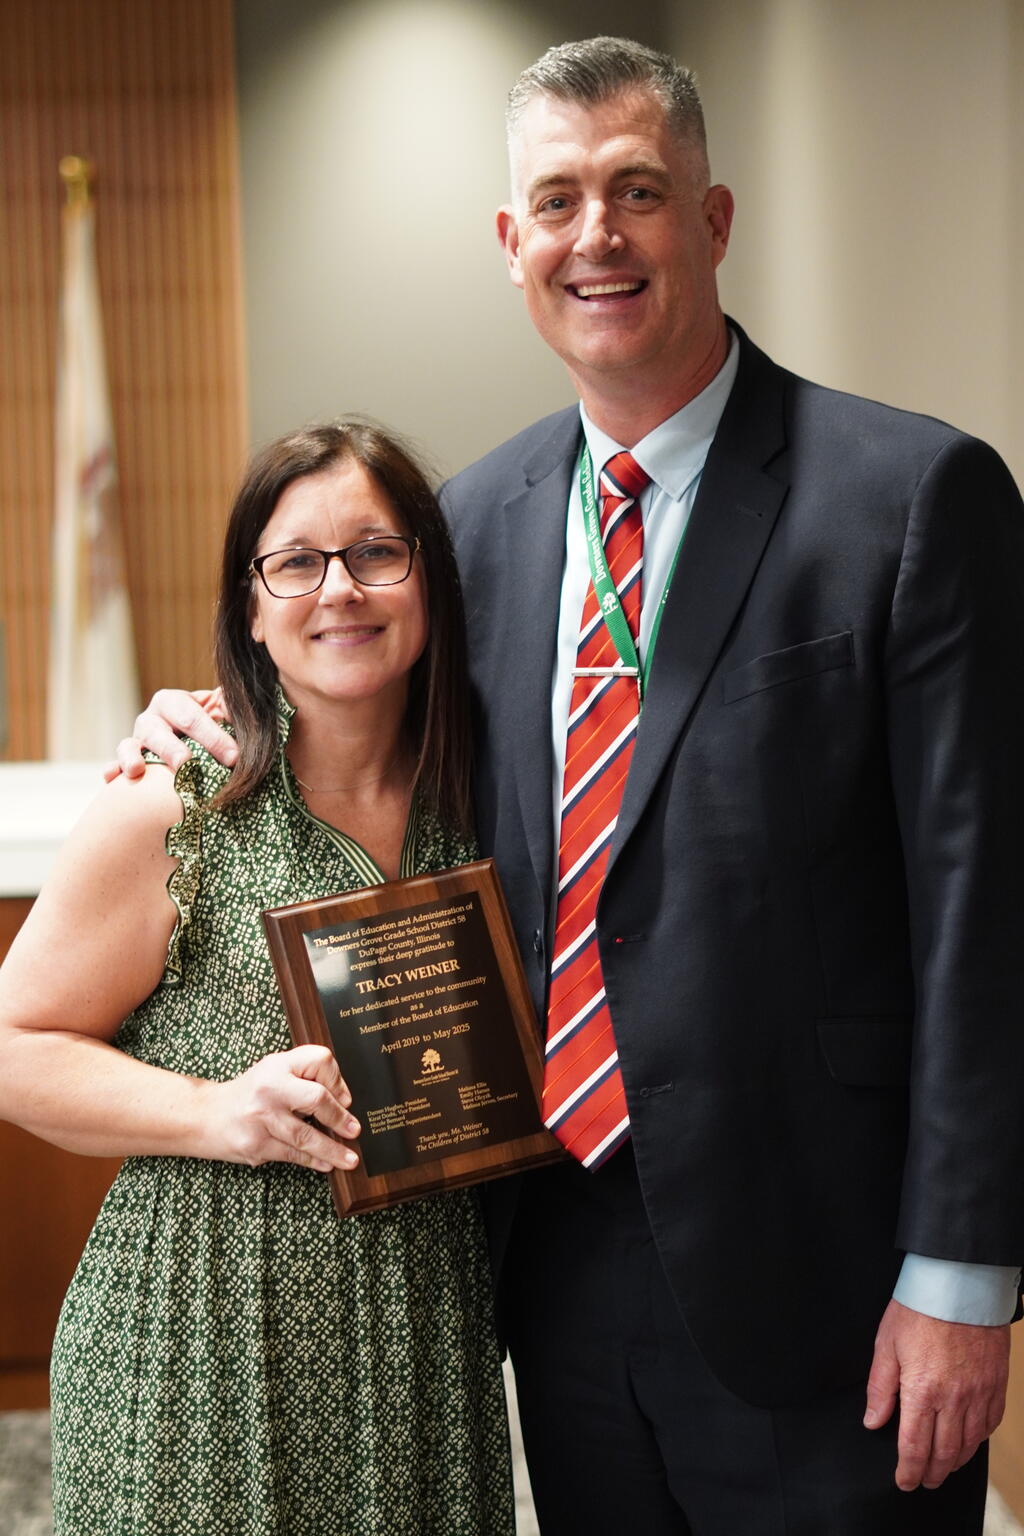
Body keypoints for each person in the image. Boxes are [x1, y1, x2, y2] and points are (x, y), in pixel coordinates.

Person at [112, 36, 1024, 1536]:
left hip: (830, 1268)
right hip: (556, 1254)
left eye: (637, 191)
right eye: (557, 201)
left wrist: (962, 1275)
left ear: (712, 221)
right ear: (510, 242)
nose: (596, 235)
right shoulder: (471, 527)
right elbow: (352, 712)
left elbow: (986, 913)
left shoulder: (908, 496)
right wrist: (208, 720)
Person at [0, 421, 515, 1536]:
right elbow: (12, 1047)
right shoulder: (174, 804)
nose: (340, 589)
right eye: (296, 562)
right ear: (250, 604)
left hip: (422, 1341)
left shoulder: (489, 800)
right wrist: (214, 1111)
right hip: (199, 1347)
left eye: (376, 552)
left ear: (428, 578)